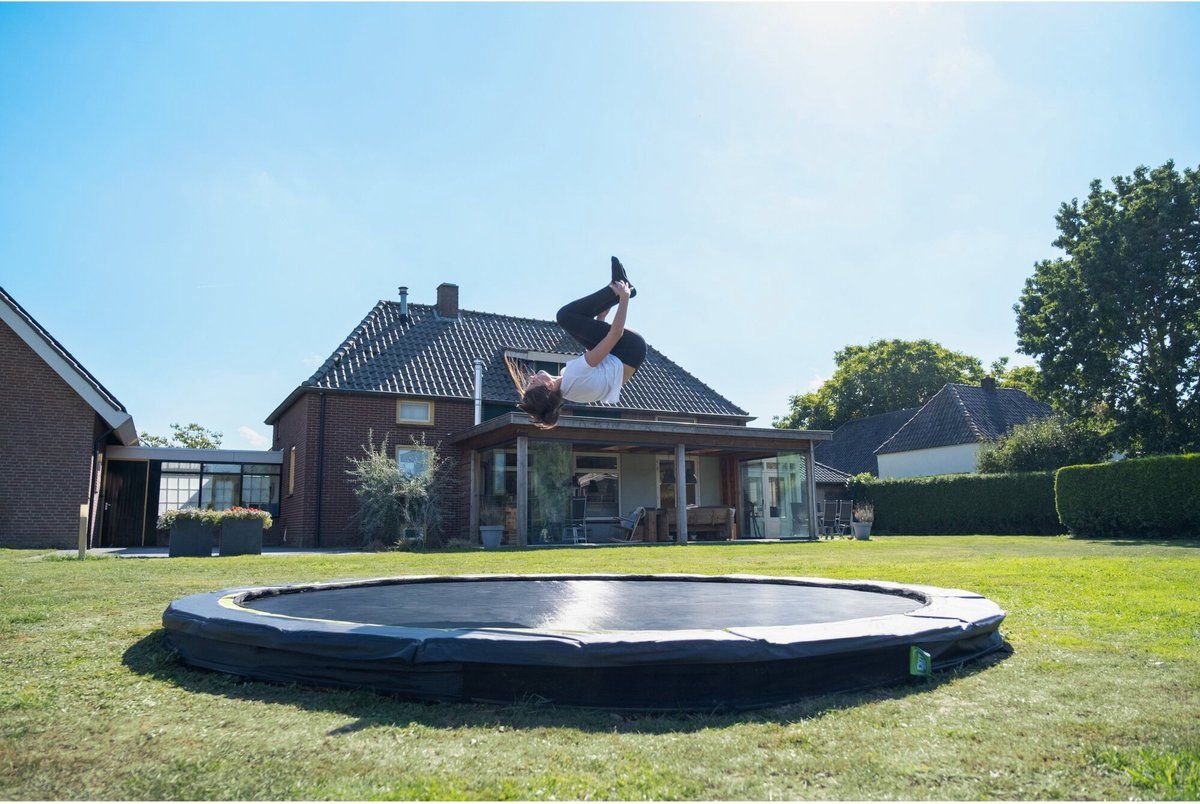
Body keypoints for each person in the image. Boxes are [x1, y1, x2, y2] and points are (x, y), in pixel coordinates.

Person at [510, 257, 646, 429]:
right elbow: (615, 335)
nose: (531, 377)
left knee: (575, 321)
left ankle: (615, 289)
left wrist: (601, 319)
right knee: (565, 317)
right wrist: (624, 298)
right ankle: (618, 288)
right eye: (533, 382)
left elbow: (602, 361)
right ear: (549, 386)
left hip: (624, 357)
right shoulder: (574, 375)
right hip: (629, 349)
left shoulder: (571, 391)